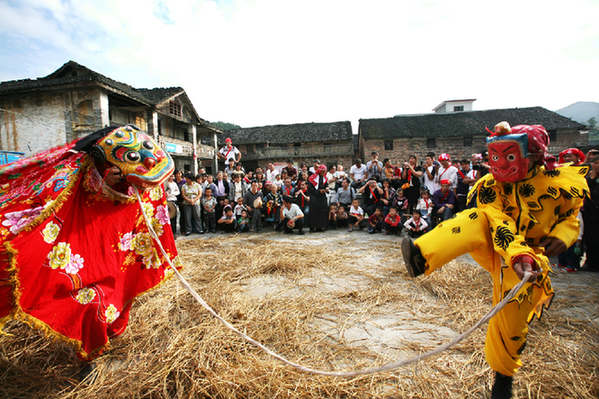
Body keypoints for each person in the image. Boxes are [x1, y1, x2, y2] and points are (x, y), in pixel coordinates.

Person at [402, 122, 589, 399]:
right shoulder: (491, 185)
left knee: (511, 318)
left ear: (535, 155)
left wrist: (564, 236)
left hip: (531, 261)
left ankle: (503, 379)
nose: (501, 164)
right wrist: (515, 252)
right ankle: (422, 255)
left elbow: (571, 218)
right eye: (496, 156)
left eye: (510, 156)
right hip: (498, 245)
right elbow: (497, 219)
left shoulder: (560, 181)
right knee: (475, 217)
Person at [0, 124, 179, 364]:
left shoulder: (147, 178)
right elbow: (80, 194)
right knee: (91, 303)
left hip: (121, 243)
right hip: (84, 243)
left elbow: (149, 197)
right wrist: (103, 183)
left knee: (123, 292)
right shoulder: (77, 168)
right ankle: (90, 357)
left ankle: (112, 335)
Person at [581, 154, 599, 272]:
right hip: (590, 215)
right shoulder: (588, 179)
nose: (598, 166)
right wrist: (591, 180)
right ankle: (591, 263)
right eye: (596, 163)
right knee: (591, 240)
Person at [307, 164, 329, 232]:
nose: (323, 173)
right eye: (322, 172)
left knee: (322, 211)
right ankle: (313, 226)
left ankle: (321, 226)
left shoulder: (325, 178)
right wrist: (318, 191)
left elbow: (326, 185)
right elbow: (310, 189)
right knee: (314, 212)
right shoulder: (312, 178)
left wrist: (327, 189)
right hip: (314, 197)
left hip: (322, 197)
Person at [165, 172, 180, 237]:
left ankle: (174, 233)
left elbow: (178, 191)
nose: (171, 178)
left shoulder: (174, 184)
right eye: (169, 176)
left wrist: (172, 193)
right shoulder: (164, 184)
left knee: (174, 218)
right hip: (166, 201)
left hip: (173, 200)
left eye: (172, 176)